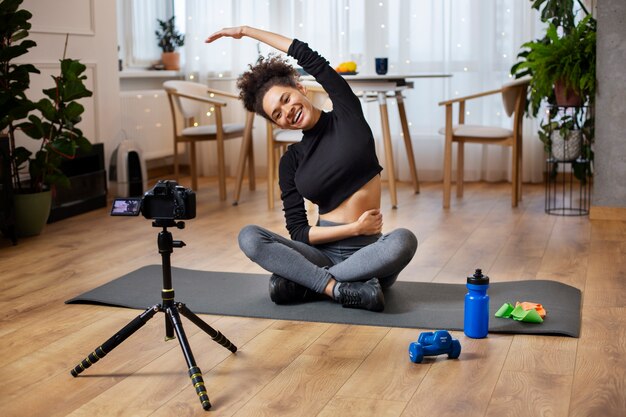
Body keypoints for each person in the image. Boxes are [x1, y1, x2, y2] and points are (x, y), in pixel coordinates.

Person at [206, 26, 417, 312]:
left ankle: (308, 284)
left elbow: (304, 53)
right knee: (250, 236)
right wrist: (355, 227)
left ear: (301, 88)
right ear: (277, 124)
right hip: (321, 254)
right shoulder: (290, 161)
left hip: (370, 254)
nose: (287, 111)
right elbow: (299, 233)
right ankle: (339, 288)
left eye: (286, 99)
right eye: (277, 114)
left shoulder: (347, 113)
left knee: (403, 241)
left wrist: (246, 31)